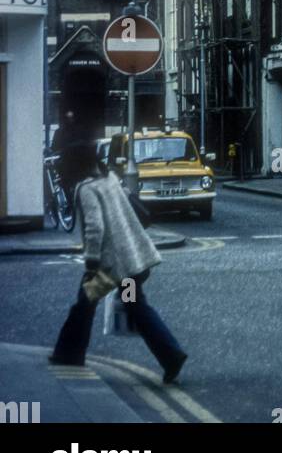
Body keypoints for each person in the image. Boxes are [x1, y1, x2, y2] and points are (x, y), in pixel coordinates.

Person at [50, 141, 187, 384]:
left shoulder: (87, 188)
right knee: (134, 306)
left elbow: (95, 228)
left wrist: (91, 264)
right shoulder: (109, 178)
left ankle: (69, 354)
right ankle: (171, 355)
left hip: (111, 266)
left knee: (85, 304)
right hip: (132, 262)